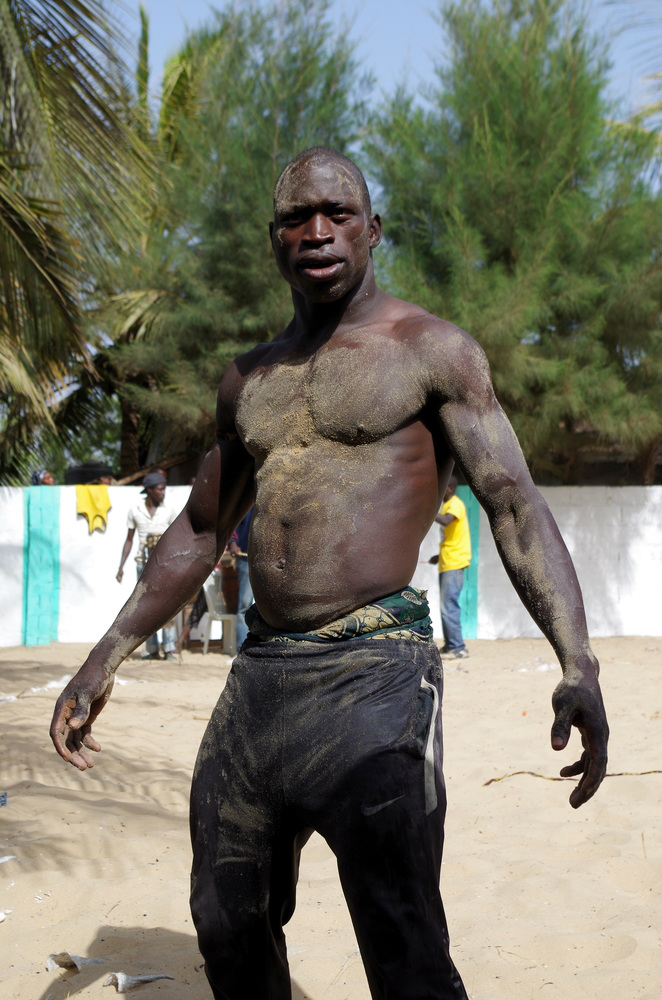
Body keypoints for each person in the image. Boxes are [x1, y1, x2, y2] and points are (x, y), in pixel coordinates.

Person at [51, 147, 609, 1000]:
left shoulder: (433, 352)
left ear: (372, 228)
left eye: (337, 213)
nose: (316, 230)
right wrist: (101, 662)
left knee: (402, 938)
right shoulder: (247, 379)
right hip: (261, 681)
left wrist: (578, 662)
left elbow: (513, 503)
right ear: (274, 240)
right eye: (294, 218)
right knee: (226, 919)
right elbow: (201, 528)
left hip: (376, 675)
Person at [115, 472, 178, 661]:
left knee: (167, 604)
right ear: (149, 490)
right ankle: (151, 649)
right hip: (143, 564)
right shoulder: (135, 511)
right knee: (145, 606)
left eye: (164, 489)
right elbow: (129, 540)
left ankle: (169, 648)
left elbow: (175, 539)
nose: (163, 493)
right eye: (160, 489)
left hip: (164, 565)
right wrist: (121, 566)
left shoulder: (169, 511)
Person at [430, 475, 471, 659]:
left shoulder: (455, 504)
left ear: (451, 489)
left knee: (449, 606)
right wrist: (438, 556)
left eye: (443, 487)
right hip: (447, 561)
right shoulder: (447, 505)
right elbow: (452, 536)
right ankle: (450, 646)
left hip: (454, 563)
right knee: (445, 606)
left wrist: (427, 511)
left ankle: (458, 648)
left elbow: (447, 521)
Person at [228, 507, 254, 647]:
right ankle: (242, 648)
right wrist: (232, 542)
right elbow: (233, 522)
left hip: (267, 560)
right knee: (244, 605)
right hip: (245, 558)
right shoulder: (247, 500)